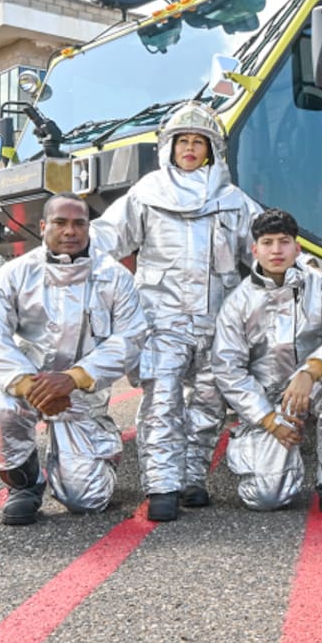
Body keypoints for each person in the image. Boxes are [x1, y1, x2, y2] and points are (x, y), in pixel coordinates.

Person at [92, 101, 263, 522]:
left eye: (197, 142)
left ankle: (192, 478)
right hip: (161, 321)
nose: (189, 148)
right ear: (169, 147)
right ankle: (162, 485)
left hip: (218, 322)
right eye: (182, 141)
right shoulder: (146, 194)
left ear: (211, 150)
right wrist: (57, 255)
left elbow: (265, 250)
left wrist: (305, 278)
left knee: (208, 403)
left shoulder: (233, 200)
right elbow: (105, 239)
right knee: (163, 402)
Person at [0, 192, 148, 525]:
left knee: (87, 500)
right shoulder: (15, 273)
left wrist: (73, 379)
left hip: (79, 391)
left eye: (79, 223)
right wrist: (27, 384)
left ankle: (98, 450)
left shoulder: (115, 277)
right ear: (42, 227)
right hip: (22, 383)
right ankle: (24, 484)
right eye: (60, 222)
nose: (70, 231)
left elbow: (130, 338)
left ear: (89, 228)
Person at [212, 208, 322, 522]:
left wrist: (313, 369)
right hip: (272, 401)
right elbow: (228, 369)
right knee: (266, 496)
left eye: (284, 242)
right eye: (268, 242)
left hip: (317, 384)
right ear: (254, 249)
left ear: (297, 248)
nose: (276, 250)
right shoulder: (238, 303)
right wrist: (268, 418)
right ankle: (266, 450)